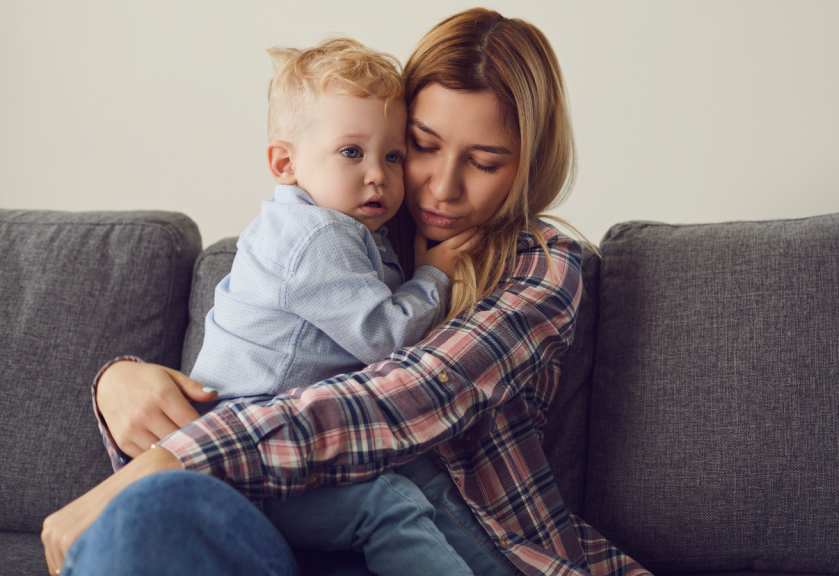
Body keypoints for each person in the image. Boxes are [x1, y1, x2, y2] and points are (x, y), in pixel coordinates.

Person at [42, 8, 652, 576]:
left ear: (530, 163)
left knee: (157, 497)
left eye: (485, 162)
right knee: (149, 517)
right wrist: (117, 382)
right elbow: (243, 356)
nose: (442, 187)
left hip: (461, 535)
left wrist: (174, 457)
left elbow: (403, 397)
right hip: (299, 521)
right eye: (422, 145)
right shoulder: (346, 231)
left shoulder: (541, 263)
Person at [184, 37, 483, 575]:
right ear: (285, 162)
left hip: (289, 444)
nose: (378, 174)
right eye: (352, 152)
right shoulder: (314, 235)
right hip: (247, 454)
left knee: (427, 479)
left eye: (393, 155)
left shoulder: (348, 227)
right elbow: (386, 337)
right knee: (389, 503)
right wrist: (434, 273)